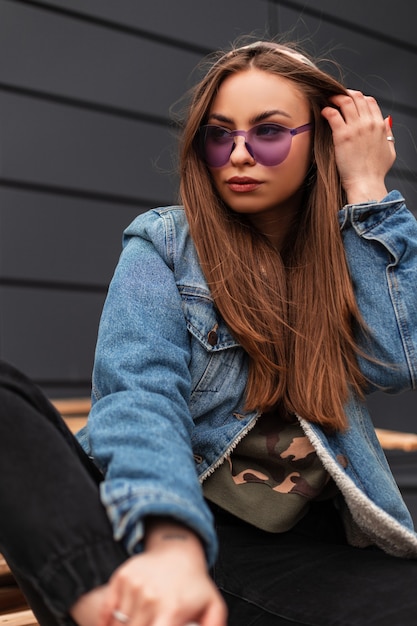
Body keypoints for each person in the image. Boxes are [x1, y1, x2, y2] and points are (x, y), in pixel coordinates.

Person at [1, 38, 417, 626]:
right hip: (155, 515)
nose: (239, 154)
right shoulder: (164, 242)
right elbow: (140, 398)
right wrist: (174, 549)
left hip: (297, 551)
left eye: (268, 132)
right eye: (220, 135)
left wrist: (369, 192)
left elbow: (399, 361)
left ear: (320, 142)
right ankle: (108, 602)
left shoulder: (345, 254)